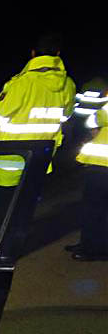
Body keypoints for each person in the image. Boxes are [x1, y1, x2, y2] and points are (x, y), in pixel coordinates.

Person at [0, 33, 76, 244]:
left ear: (33, 54)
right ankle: (16, 244)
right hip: (40, 157)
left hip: (9, 158)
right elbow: (65, 115)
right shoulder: (68, 85)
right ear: (57, 54)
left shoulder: (21, 82)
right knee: (26, 204)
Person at [66, 104, 108, 260]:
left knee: (95, 207)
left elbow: (93, 119)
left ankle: (93, 248)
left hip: (103, 164)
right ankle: (88, 243)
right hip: (102, 163)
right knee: (96, 207)